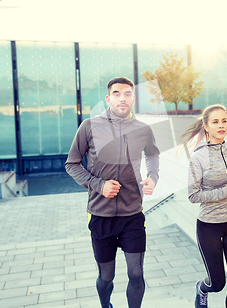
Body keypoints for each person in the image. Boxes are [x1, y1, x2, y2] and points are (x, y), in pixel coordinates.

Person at [65, 77, 159, 308]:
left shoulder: (143, 129)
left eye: (127, 94)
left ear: (133, 99)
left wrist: (152, 178)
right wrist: (99, 185)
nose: (122, 98)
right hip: (100, 215)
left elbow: (153, 155)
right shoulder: (89, 126)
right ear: (108, 98)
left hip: (132, 215)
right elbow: (72, 164)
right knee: (106, 277)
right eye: (116, 93)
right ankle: (105, 304)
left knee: (136, 274)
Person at [179, 104, 227, 308]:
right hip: (209, 225)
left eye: (224, 120)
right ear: (206, 126)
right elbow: (193, 195)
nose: (221, 125)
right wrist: (224, 192)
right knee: (217, 283)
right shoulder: (199, 157)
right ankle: (201, 288)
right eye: (216, 122)